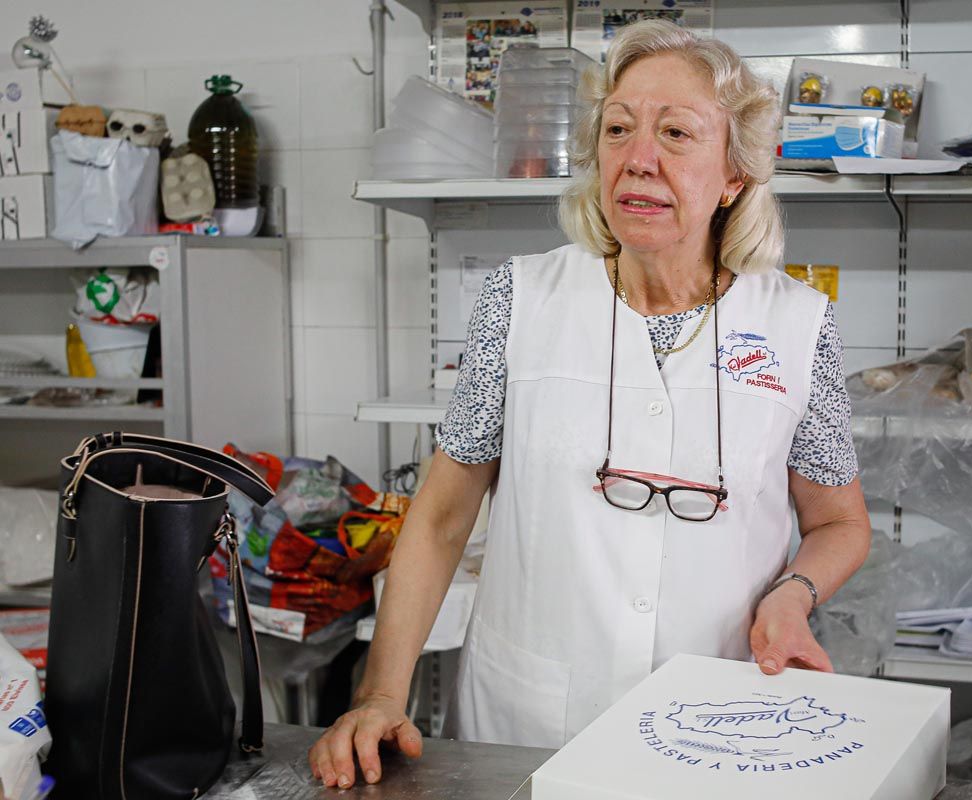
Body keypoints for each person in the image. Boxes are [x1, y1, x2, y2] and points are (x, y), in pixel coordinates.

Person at [308, 19, 871, 789]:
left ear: (736, 174)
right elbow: (440, 518)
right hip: (533, 718)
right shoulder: (522, 298)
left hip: (720, 713)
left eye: (676, 133)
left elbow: (838, 522)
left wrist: (793, 595)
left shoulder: (798, 324)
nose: (639, 158)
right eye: (618, 129)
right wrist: (379, 695)